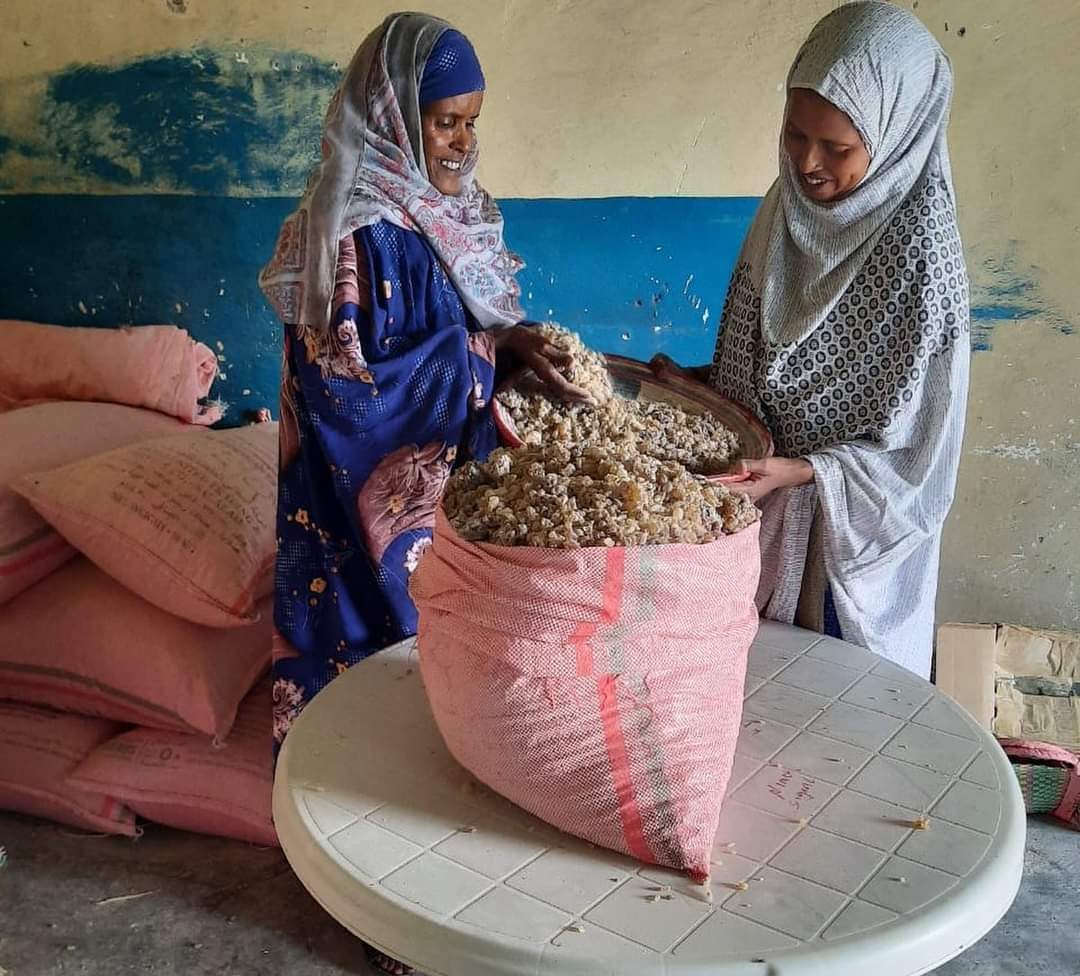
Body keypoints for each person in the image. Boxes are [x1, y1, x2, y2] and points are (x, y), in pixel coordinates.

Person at [656, 2, 969, 678]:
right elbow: (771, 367)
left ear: (892, 138)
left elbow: (920, 459)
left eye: (837, 148)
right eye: (796, 135)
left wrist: (804, 471)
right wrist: (696, 386)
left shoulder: (919, 258)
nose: (807, 163)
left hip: (844, 550)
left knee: (836, 722)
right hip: (758, 511)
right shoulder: (787, 209)